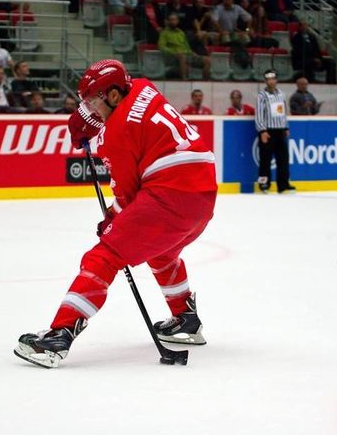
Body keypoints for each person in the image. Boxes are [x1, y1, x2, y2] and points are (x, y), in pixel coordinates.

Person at [14, 59, 217, 368]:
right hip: (202, 196)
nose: (92, 110)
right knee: (162, 252)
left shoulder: (118, 134)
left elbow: (128, 196)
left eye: (94, 102)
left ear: (111, 95)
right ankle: (185, 319)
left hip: (170, 197)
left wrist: (113, 219)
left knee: (104, 255)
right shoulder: (143, 86)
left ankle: (60, 335)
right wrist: (90, 117)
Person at [255, 69, 294, 194]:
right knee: (265, 159)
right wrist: (262, 131)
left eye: (273, 79)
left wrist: (286, 126)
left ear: (276, 80)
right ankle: (264, 184)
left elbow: (283, 112)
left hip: (280, 130)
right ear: (266, 81)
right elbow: (259, 114)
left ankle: (283, 184)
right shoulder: (262, 96)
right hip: (268, 131)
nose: (271, 81)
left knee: (283, 158)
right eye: (269, 79)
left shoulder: (281, 94)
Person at [158, 14, 211, 80]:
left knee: (208, 60)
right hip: (174, 57)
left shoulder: (181, 33)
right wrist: (174, 52)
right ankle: (184, 80)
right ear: (168, 22)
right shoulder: (164, 33)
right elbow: (162, 47)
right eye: (171, 20)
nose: (173, 22)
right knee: (182, 57)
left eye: (174, 20)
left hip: (187, 55)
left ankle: (205, 82)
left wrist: (192, 53)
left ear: (177, 21)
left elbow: (187, 47)